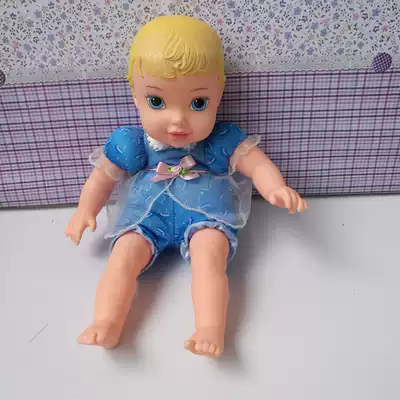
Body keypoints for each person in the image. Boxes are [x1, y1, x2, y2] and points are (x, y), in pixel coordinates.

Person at [65, 14, 307, 358]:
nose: (178, 120)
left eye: (197, 103)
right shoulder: (134, 142)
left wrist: (274, 187)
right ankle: (106, 322)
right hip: (146, 214)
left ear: (218, 94)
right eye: (157, 102)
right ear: (135, 95)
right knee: (123, 256)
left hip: (206, 211)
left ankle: (210, 328)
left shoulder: (219, 139)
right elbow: (103, 176)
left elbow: (255, 163)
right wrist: (85, 210)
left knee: (209, 257)